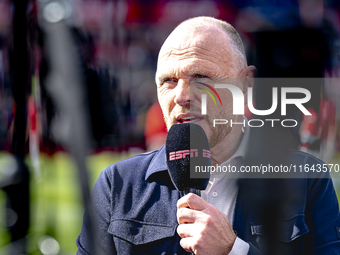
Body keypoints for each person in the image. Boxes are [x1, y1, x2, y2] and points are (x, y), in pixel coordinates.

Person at [76, 16, 340, 254]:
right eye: (168, 81)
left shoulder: (307, 179)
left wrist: (233, 251)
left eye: (201, 77)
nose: (181, 96)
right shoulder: (118, 183)